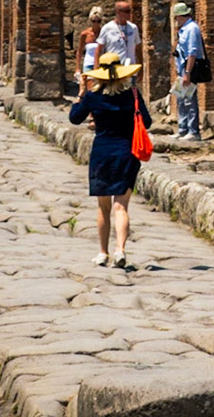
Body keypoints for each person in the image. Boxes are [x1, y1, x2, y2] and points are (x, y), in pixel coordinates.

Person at [68, 49, 151, 269]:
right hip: (126, 153)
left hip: (102, 154)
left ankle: (103, 253)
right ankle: (120, 250)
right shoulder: (132, 95)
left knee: (103, 207)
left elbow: (75, 118)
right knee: (121, 207)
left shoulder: (93, 97)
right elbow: (148, 122)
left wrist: (80, 93)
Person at [170, 1, 203, 139]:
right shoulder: (184, 29)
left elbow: (192, 53)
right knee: (180, 98)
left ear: (181, 16)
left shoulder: (192, 29)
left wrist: (187, 73)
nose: (175, 20)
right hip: (182, 69)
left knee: (189, 99)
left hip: (189, 70)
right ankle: (183, 128)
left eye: (176, 17)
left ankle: (193, 131)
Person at [97, 0, 140, 79]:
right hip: (114, 71)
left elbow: (137, 48)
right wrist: (96, 69)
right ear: (118, 12)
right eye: (127, 11)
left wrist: (141, 68)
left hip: (130, 70)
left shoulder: (133, 28)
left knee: (132, 91)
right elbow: (99, 49)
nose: (130, 14)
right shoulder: (107, 28)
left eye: (130, 11)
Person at [75, 5, 106, 75]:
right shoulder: (85, 34)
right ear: (90, 20)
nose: (96, 23)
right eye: (93, 21)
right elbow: (79, 52)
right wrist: (77, 68)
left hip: (102, 64)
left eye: (98, 21)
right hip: (88, 64)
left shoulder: (104, 34)